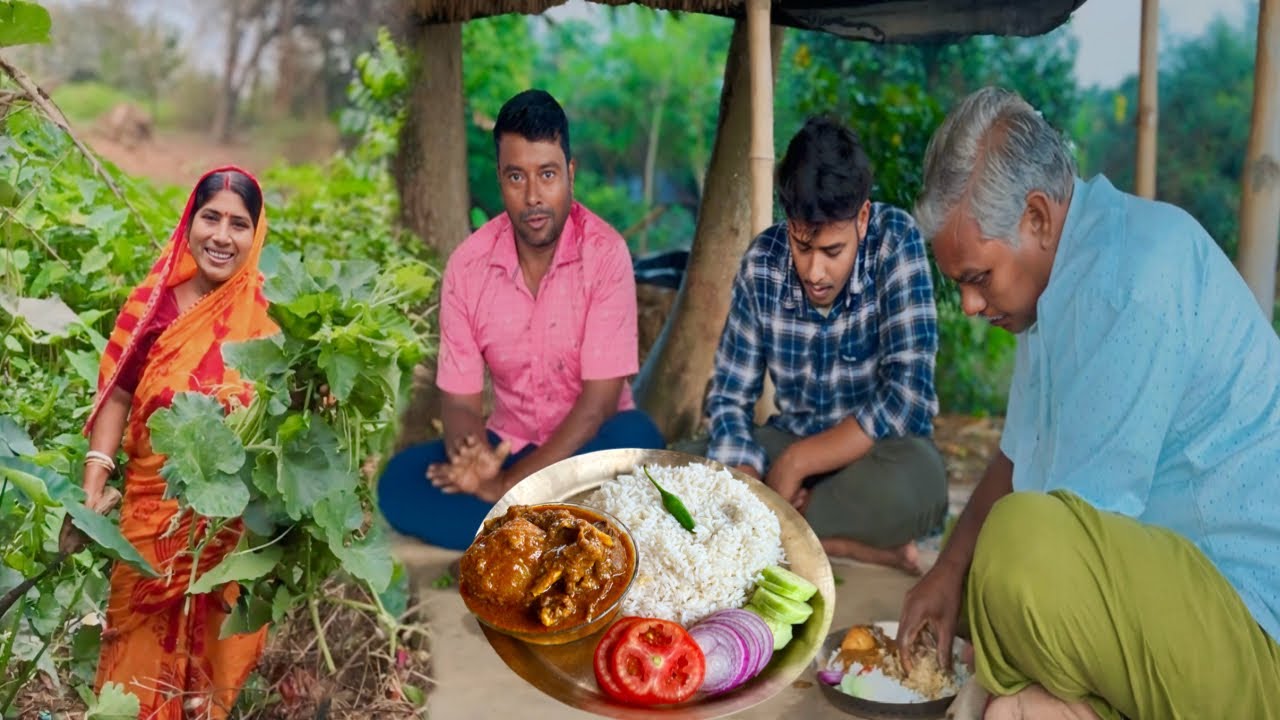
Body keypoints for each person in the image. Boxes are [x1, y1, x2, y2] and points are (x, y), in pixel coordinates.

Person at [897, 87, 1280, 719]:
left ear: (1038, 219)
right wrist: (947, 569)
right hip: (1158, 607)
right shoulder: (1052, 286)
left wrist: (977, 652)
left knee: (1017, 550)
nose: (968, 305)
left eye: (977, 278)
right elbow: (1018, 454)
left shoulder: (1131, 280)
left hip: (1251, 627)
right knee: (988, 598)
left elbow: (1069, 534)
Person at [377, 89, 665, 551]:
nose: (533, 196)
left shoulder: (605, 253)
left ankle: (514, 530)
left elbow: (597, 407)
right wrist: (472, 454)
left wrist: (506, 488)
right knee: (399, 483)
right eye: (516, 177)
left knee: (641, 442)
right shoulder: (468, 266)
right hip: (511, 446)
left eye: (547, 175)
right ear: (500, 179)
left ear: (570, 174)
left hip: (590, 446)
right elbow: (460, 403)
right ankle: (564, 533)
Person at [65, 167, 279, 718]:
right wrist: (95, 477)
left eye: (238, 224)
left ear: (255, 236)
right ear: (190, 223)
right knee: (131, 661)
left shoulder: (268, 322)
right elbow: (119, 392)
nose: (221, 236)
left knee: (209, 672)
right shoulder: (155, 304)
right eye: (210, 217)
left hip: (226, 529)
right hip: (149, 520)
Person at [696, 116, 948, 574]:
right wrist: (749, 475)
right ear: (789, 224)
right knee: (685, 463)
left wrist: (795, 464)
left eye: (832, 251)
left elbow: (906, 396)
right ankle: (837, 542)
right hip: (789, 436)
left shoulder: (896, 241)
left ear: (863, 217)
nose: (814, 272)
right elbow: (730, 399)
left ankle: (767, 530)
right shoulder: (762, 262)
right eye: (801, 245)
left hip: (877, 457)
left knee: (922, 484)